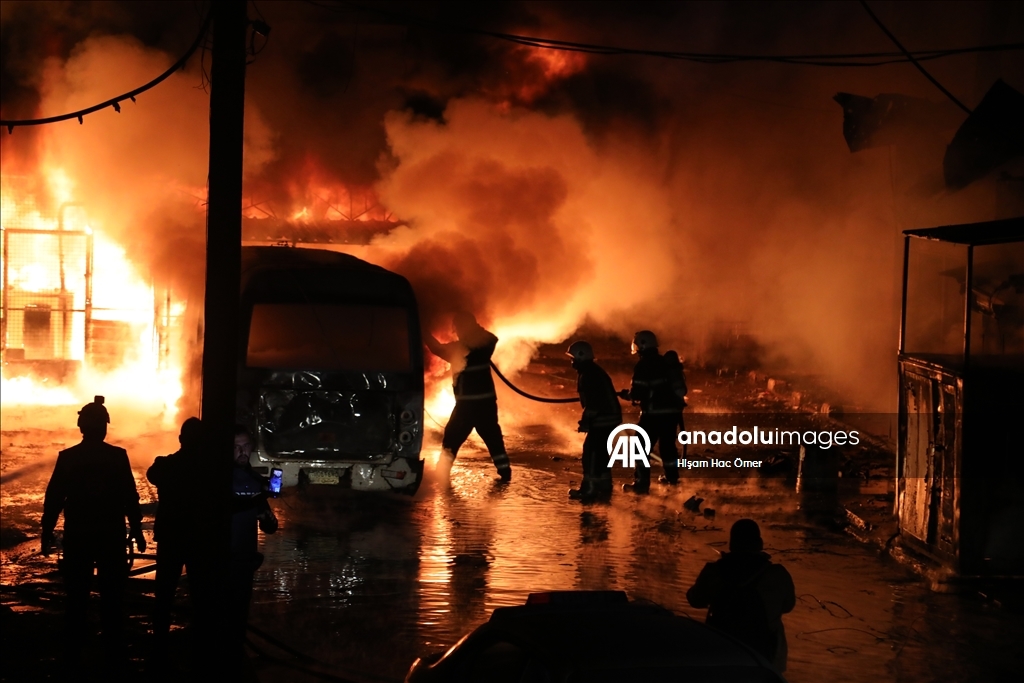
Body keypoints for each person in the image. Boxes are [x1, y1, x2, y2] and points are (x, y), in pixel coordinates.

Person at [41, 395, 145, 663]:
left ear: (81, 426)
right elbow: (129, 496)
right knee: (112, 597)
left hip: (79, 536)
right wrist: (136, 528)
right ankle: (113, 651)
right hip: (110, 536)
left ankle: (74, 652)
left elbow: (54, 499)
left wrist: (47, 532)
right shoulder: (117, 457)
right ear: (104, 427)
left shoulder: (68, 458)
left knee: (77, 597)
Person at [686, 519, 796, 672]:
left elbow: (695, 600)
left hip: (722, 651)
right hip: (764, 656)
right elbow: (788, 605)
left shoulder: (713, 571)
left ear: (732, 544)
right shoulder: (777, 574)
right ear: (759, 543)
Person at [146, 417, 210, 658]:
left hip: (171, 537)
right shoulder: (209, 470)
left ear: (181, 439)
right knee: (200, 593)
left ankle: (159, 643)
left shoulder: (166, 465)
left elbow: (152, 474)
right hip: (199, 538)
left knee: (164, 593)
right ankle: (200, 644)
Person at [425, 311, 511, 482]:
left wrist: (423, 333)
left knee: (451, 438)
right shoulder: (483, 346)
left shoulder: (459, 349)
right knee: (493, 439)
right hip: (486, 404)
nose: (456, 332)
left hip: (466, 407)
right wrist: (475, 331)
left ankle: (441, 473)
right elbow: (492, 338)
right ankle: (505, 471)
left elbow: (437, 348)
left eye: (458, 328)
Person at [228, 426, 278, 646]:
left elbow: (268, 525)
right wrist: (258, 498)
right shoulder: (218, 477)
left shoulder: (255, 480)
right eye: (236, 447)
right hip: (220, 559)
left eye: (246, 446)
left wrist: (268, 520)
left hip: (245, 559)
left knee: (240, 614)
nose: (242, 452)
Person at [618, 330, 683, 493]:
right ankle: (672, 480)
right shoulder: (664, 362)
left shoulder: (643, 365)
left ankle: (641, 484)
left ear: (641, 346)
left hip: (654, 414)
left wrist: (628, 395)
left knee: (640, 446)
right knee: (667, 447)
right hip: (672, 413)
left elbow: (638, 392)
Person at [566, 341, 621, 501]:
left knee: (591, 453)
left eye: (573, 358)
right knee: (601, 452)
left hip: (603, 419)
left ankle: (589, 490)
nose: (572, 362)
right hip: (610, 418)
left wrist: (585, 422)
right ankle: (604, 485)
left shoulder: (588, 375)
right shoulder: (592, 371)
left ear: (580, 357)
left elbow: (593, 404)